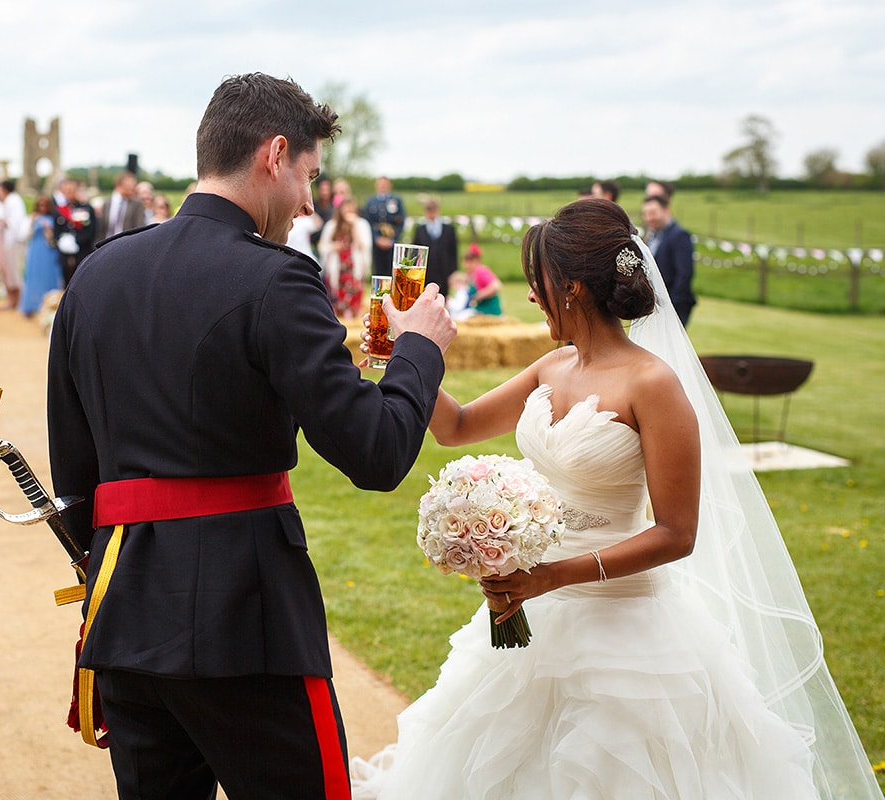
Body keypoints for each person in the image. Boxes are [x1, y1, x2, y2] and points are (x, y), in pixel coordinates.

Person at [349, 197, 884, 800]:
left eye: (539, 283)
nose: (531, 296)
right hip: (535, 612)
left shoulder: (653, 384)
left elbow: (678, 533)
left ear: (571, 287)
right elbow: (457, 428)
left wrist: (552, 577)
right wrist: (407, 356)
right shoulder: (552, 365)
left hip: (628, 635)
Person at [47, 71, 456, 800]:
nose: (307, 204)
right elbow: (379, 452)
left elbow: (73, 475)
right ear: (275, 154)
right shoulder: (279, 281)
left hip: (121, 612)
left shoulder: (96, 275)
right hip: (248, 624)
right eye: (309, 175)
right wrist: (420, 348)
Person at [642, 192, 695, 325]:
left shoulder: (679, 235)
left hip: (674, 305)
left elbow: (684, 273)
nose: (649, 218)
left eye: (653, 213)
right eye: (646, 214)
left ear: (666, 210)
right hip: (654, 305)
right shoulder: (652, 236)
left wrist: (669, 304)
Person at [317, 194, 372, 318]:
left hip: (354, 269)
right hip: (338, 268)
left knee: (354, 301)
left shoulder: (362, 225)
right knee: (337, 301)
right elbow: (323, 246)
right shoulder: (332, 225)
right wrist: (333, 247)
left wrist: (354, 228)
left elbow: (364, 246)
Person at [17, 195, 61, 317]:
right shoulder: (32, 218)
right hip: (35, 250)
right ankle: (31, 305)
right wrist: (31, 223)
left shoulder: (53, 219)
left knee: (48, 275)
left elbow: (55, 239)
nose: (42, 207)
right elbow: (23, 236)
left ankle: (49, 305)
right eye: (40, 205)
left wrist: (49, 232)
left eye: (44, 205)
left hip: (48, 250)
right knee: (33, 275)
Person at [50, 177, 97, 284]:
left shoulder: (86, 208)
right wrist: (62, 242)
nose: (69, 193)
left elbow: (91, 230)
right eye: (66, 191)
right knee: (67, 285)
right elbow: (56, 232)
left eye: (71, 190)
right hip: (65, 257)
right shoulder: (59, 211)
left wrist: (76, 241)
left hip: (82, 254)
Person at [410, 194, 458, 295]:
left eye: (433, 210)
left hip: (444, 272)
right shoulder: (420, 230)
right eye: (429, 210)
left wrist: (453, 273)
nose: (431, 214)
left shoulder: (448, 229)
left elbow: (453, 252)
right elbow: (415, 253)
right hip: (426, 273)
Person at [362, 176, 405, 278]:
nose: (383, 187)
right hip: (377, 243)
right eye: (380, 184)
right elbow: (368, 222)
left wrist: (393, 239)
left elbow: (401, 221)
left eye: (385, 185)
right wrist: (376, 238)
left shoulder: (396, 200)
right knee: (378, 273)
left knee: (393, 272)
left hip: (392, 242)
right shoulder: (370, 202)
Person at [0, 179, 27, 310]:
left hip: (13, 241)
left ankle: (17, 299)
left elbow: (16, 222)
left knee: (14, 270)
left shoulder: (14, 200)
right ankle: (12, 299)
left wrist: (1, 221)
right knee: (7, 270)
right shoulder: (8, 201)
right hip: (7, 241)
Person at [98, 169, 146, 240]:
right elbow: (101, 229)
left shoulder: (137, 204)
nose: (134, 188)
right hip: (107, 244)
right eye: (130, 186)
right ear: (119, 186)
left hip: (126, 245)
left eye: (134, 185)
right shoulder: (107, 203)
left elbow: (140, 228)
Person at [462, 242, 502, 317]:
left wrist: (478, 296)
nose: (466, 265)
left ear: (476, 260)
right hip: (480, 310)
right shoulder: (470, 274)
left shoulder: (481, 271)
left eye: (470, 262)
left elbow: (496, 286)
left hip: (490, 312)